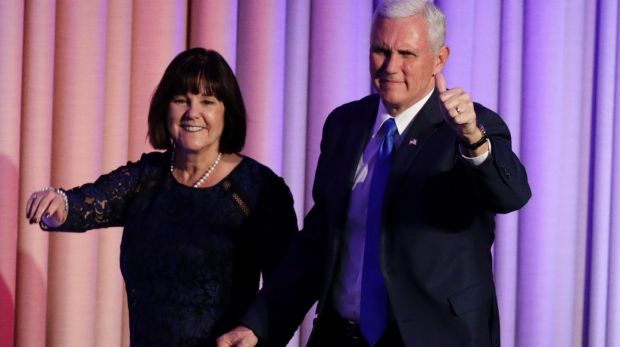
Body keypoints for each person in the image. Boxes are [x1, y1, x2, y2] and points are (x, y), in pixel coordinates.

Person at [217, 0, 531, 346]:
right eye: (381, 50)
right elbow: (320, 240)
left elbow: (511, 195)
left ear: (439, 59)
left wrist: (474, 140)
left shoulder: (470, 127)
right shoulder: (344, 125)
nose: (391, 66)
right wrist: (259, 325)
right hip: (341, 336)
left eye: (407, 54)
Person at [25, 48, 298, 346]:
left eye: (207, 101)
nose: (192, 112)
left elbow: (286, 289)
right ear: (165, 108)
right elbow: (87, 203)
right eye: (181, 99)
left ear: (226, 112)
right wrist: (60, 204)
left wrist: (256, 335)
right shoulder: (147, 177)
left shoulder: (260, 191)